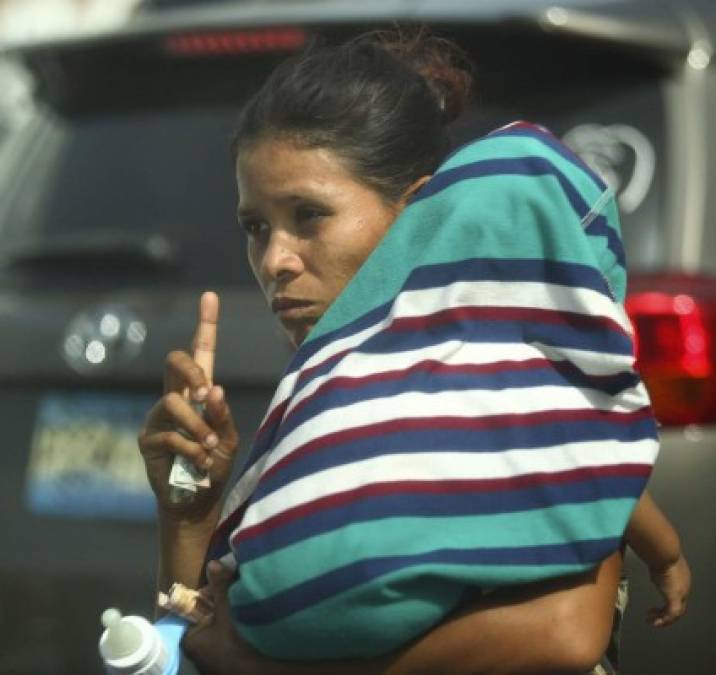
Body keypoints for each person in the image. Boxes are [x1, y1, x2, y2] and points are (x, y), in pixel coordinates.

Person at [138, 30, 690, 674]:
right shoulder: (327, 418)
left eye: (308, 215)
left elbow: (562, 634)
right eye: (256, 227)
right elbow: (195, 651)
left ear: (421, 213)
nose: (275, 262)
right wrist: (190, 516)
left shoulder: (527, 380)